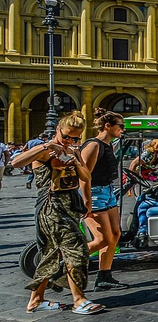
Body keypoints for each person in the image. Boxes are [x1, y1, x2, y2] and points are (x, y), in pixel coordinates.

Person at [10, 111, 105, 315]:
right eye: (67, 136)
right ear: (58, 130)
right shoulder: (45, 151)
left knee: (50, 255)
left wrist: (76, 162)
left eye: (76, 138)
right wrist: (46, 146)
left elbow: (86, 177)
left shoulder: (73, 150)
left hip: (69, 205)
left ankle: (36, 300)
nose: (70, 141)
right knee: (77, 250)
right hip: (51, 208)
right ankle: (79, 300)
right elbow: (16, 163)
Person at [79, 108, 128, 291]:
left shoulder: (108, 145)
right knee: (102, 239)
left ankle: (104, 276)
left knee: (115, 235)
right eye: (120, 126)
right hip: (95, 193)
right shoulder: (93, 145)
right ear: (108, 126)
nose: (123, 129)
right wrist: (86, 201)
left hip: (107, 192)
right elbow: (84, 176)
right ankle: (67, 260)